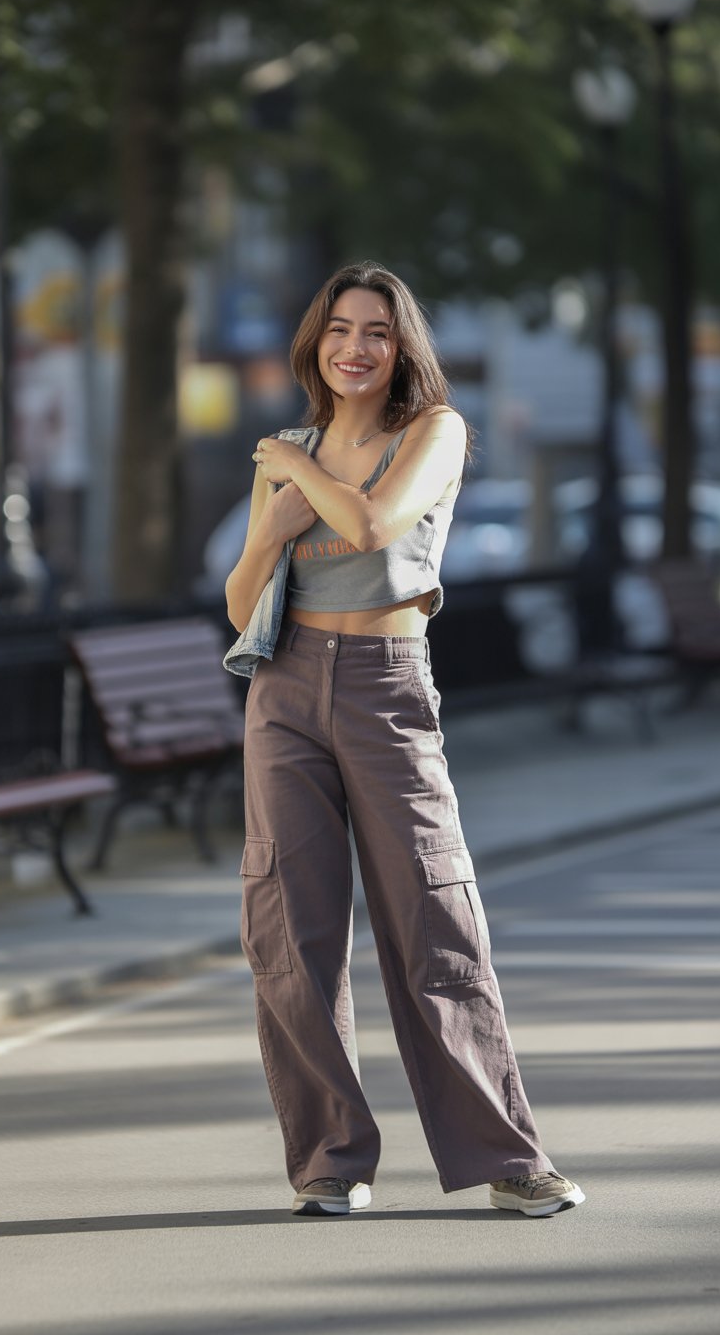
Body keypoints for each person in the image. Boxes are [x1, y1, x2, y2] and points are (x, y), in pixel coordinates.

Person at [224, 261, 584, 1220]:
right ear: (317, 341)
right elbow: (238, 597)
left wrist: (295, 475)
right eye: (340, 329)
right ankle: (331, 1163)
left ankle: (508, 1159)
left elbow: (379, 526)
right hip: (286, 688)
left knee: (434, 915)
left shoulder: (432, 432)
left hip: (386, 685)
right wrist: (272, 528)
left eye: (376, 332)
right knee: (290, 930)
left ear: (400, 346)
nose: (355, 347)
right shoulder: (289, 446)